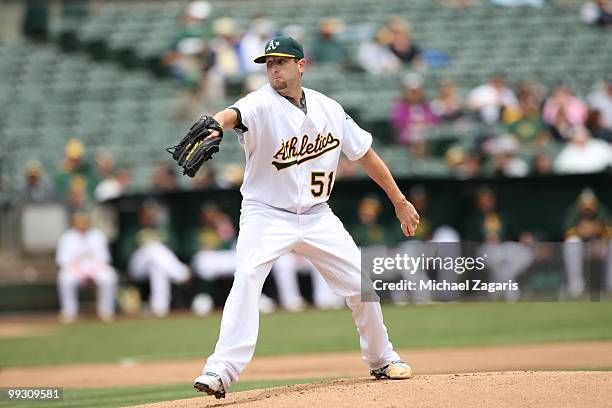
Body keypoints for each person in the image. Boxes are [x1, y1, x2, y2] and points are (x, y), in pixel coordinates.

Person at [192, 36, 420, 398]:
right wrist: (217, 125)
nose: (274, 69)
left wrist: (399, 200)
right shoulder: (260, 104)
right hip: (265, 213)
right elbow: (232, 115)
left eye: (281, 61)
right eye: (269, 63)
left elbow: (366, 155)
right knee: (248, 278)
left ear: (301, 65)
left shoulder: (330, 109)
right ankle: (221, 369)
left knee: (361, 286)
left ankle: (382, 358)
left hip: (317, 215)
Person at [56, 209, 118, 323]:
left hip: (95, 268)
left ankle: (106, 311)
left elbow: (104, 258)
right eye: (79, 221)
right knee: (65, 278)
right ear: (74, 222)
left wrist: (94, 269)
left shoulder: (98, 235)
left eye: (84, 221)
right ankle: (69, 311)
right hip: (74, 269)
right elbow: (62, 260)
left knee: (109, 276)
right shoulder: (67, 237)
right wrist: (77, 269)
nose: (82, 224)